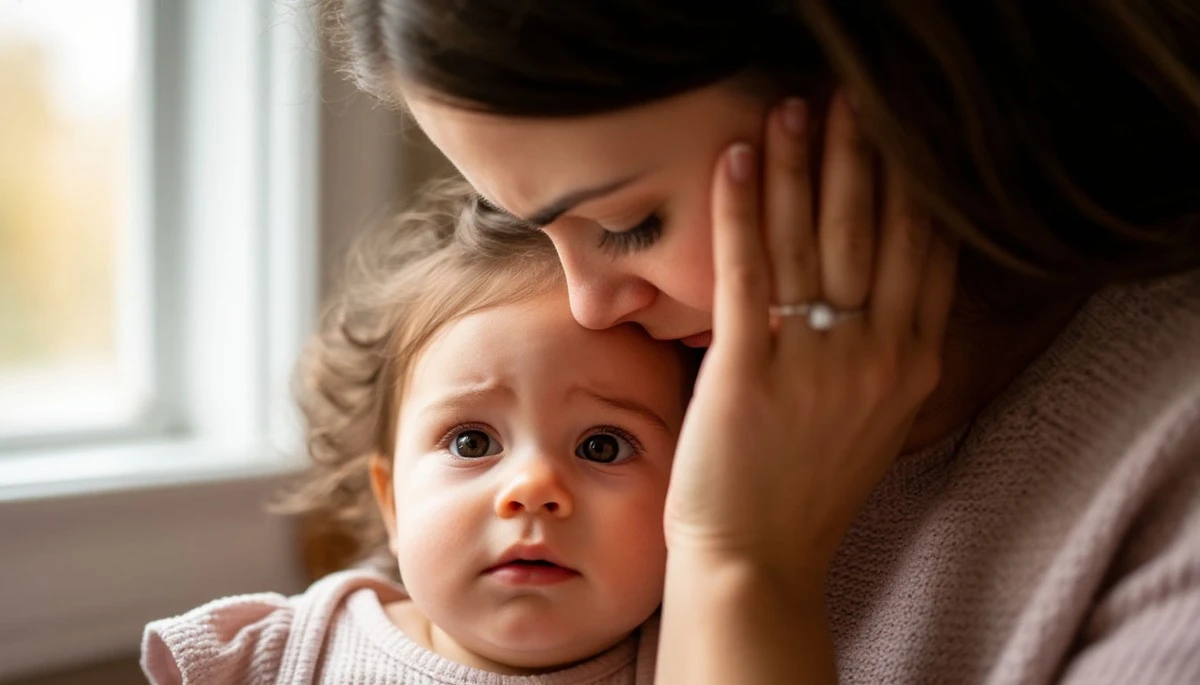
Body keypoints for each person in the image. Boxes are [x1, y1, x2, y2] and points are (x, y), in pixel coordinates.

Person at [321, 2, 1200, 683]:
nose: (588, 307)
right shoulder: (635, 371)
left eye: (631, 223)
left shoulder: (1167, 488)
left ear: (895, 89)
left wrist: (743, 565)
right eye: (532, 227)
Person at [140, 181, 696, 684]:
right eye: (471, 442)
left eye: (602, 446)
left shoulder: (706, 659)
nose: (532, 488)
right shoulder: (282, 657)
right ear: (391, 503)